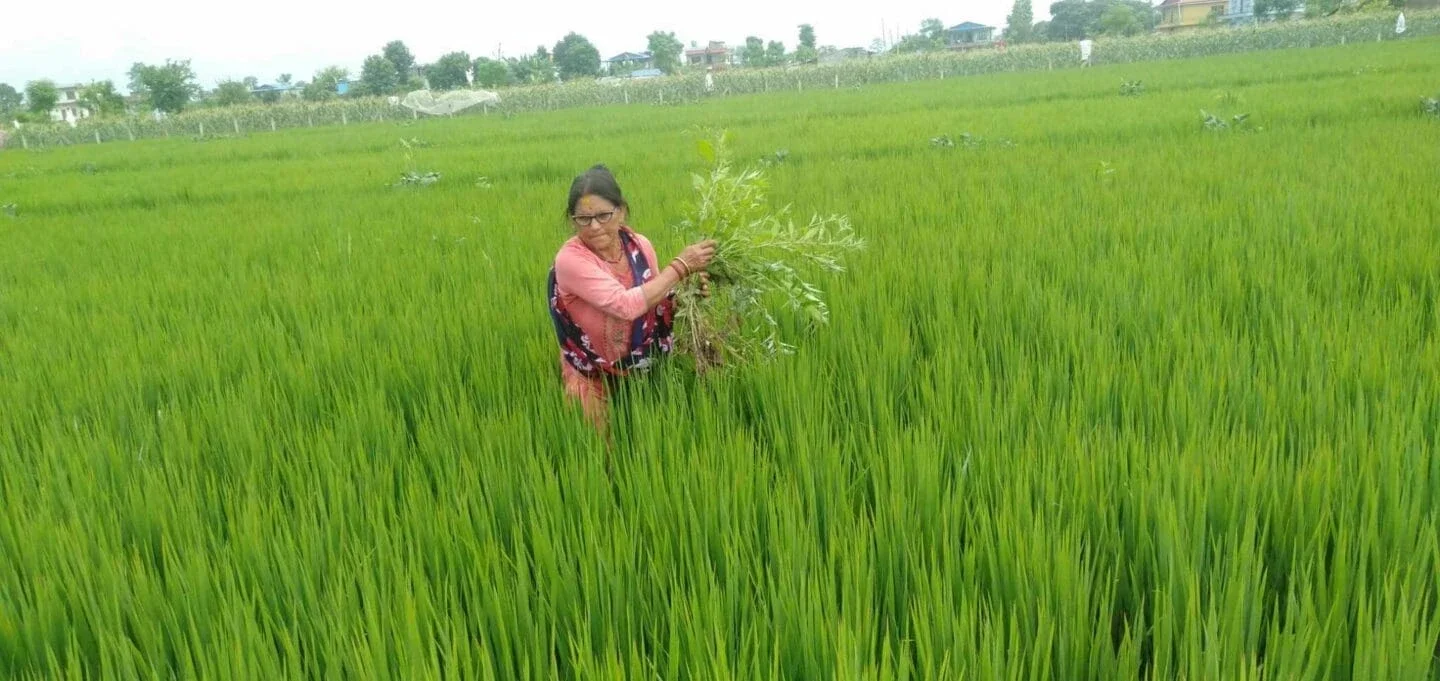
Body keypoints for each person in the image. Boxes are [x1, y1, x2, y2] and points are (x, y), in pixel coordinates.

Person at [547, 164, 717, 431]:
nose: (594, 226)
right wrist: (681, 267)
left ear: (622, 211)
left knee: (649, 434)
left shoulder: (640, 247)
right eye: (583, 219)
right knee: (595, 450)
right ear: (572, 220)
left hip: (637, 366)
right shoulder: (570, 260)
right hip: (589, 369)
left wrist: (686, 294)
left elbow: (655, 299)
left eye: (604, 215)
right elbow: (624, 305)